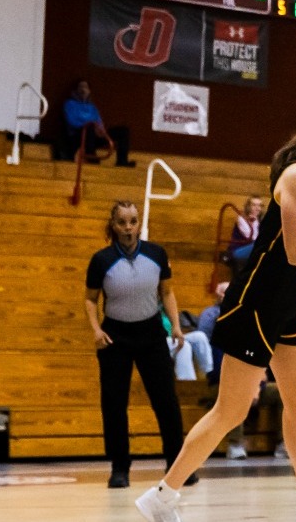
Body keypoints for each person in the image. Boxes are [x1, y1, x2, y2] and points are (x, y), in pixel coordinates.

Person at [137, 110, 296, 522]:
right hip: (254, 306)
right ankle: (162, 497)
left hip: (288, 309)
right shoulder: (295, 177)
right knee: (231, 411)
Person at [84, 201, 185, 488]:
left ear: (139, 224)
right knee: (114, 404)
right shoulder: (101, 260)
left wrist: (176, 326)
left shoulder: (156, 254)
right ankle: (119, 468)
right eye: (122, 223)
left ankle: (178, 466)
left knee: (166, 402)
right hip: (115, 337)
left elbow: (167, 292)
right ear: (113, 226)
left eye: (133, 222)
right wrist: (95, 329)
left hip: (152, 334)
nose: (128, 228)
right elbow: (91, 299)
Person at [63, 80, 132, 167]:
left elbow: (99, 122)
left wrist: (101, 131)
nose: (83, 89)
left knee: (123, 131)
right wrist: (88, 124)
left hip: (93, 136)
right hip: (79, 135)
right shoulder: (70, 104)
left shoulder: (92, 107)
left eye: (86, 87)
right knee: (90, 126)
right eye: (81, 87)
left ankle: (122, 161)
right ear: (76, 90)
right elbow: (72, 122)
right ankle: (91, 157)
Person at [228, 195, 265, 265]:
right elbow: (252, 238)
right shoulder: (241, 219)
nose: (257, 208)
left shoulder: (259, 220)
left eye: (259, 205)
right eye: (254, 205)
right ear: (248, 207)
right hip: (238, 250)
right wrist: (253, 222)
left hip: (251, 250)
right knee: (260, 245)